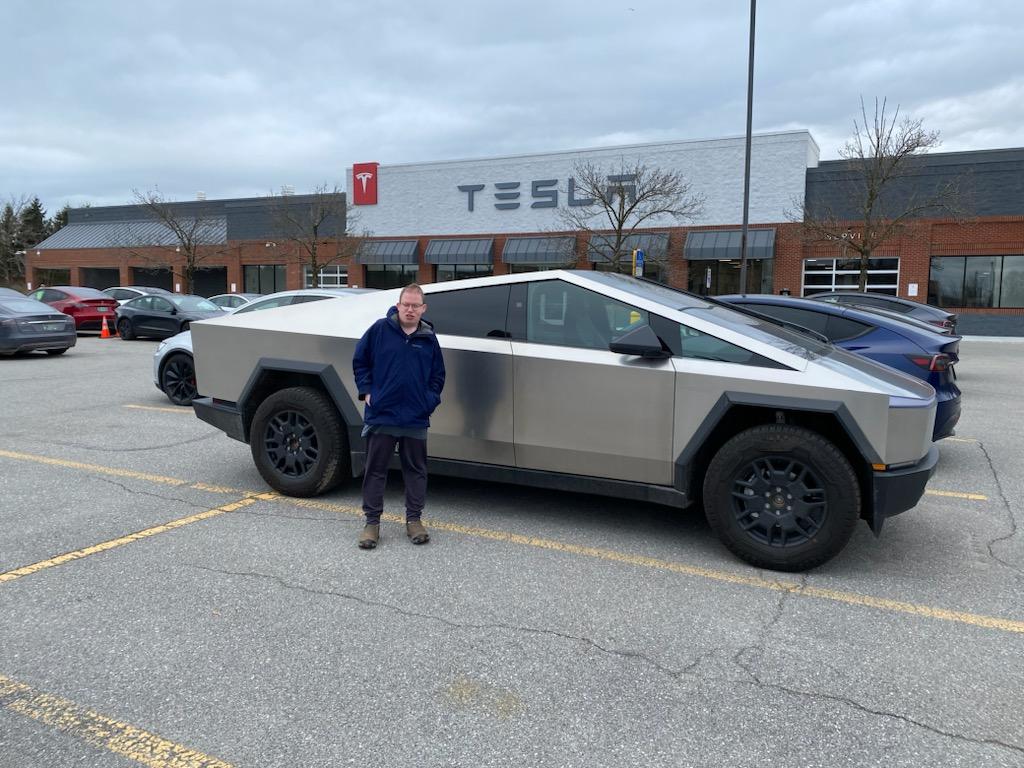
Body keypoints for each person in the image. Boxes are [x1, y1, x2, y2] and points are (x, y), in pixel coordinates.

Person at [352, 284, 445, 550]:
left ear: (423, 309)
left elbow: (438, 376)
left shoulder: (428, 338)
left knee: (416, 471)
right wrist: (367, 392)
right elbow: (360, 362)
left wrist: (428, 402)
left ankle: (414, 521)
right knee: (375, 470)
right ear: (398, 304)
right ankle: (372, 524)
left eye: (416, 305)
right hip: (382, 415)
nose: (410, 309)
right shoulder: (380, 330)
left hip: (415, 418)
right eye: (406, 304)